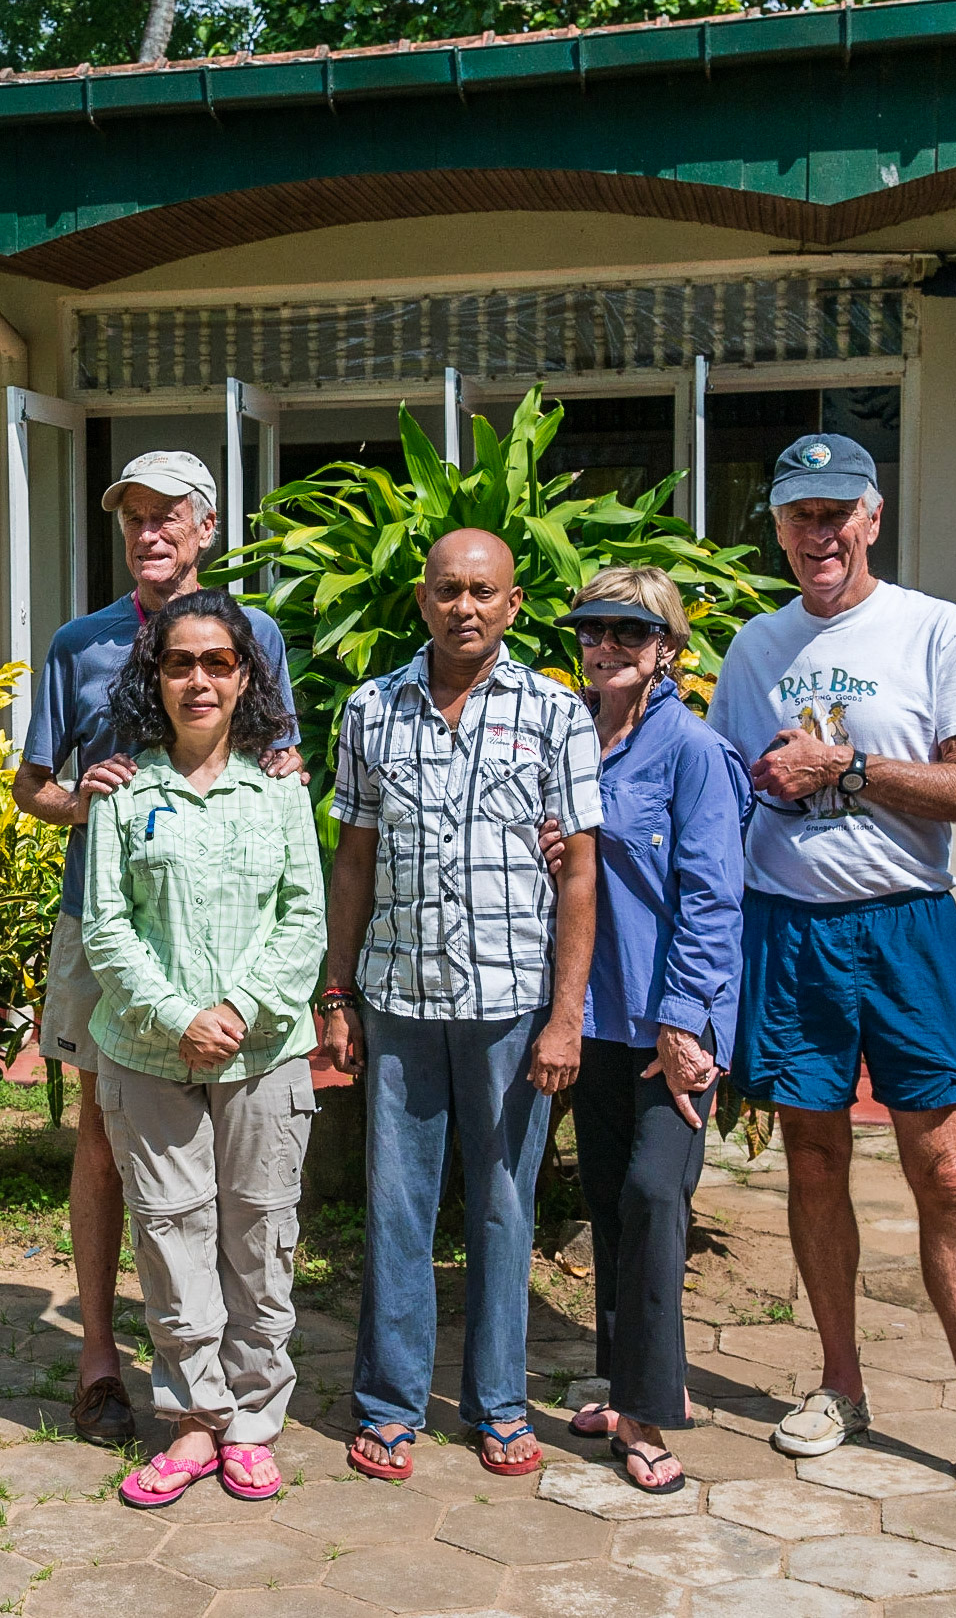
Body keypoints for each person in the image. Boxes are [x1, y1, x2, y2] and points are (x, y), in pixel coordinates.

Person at [706, 432, 956, 1518]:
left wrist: (849, 765)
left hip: (907, 928)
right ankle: (841, 1384)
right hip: (791, 931)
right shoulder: (753, 646)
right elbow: (723, 800)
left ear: (872, 517)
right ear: (776, 528)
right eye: (797, 516)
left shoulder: (934, 628)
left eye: (836, 514)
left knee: (949, 1170)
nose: (817, 534)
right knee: (813, 1158)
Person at [13, 451, 302, 1446]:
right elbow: (31, 785)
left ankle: (217, 1367)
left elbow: (281, 766)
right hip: (109, 925)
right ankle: (102, 1357)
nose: (149, 532)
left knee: (234, 1148)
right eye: (133, 516)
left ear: (207, 526)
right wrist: (79, 797)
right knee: (104, 1130)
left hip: (225, 925)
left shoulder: (253, 634)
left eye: (168, 514)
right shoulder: (77, 643)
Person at [322, 527, 601, 1482]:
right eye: (448, 591)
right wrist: (337, 988)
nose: (465, 607)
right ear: (423, 600)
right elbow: (352, 859)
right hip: (399, 1000)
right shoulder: (371, 711)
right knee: (398, 1207)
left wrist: (566, 1016)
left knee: (502, 1205)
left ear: (513, 605)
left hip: (512, 1006)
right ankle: (391, 1403)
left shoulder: (556, 714)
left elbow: (580, 878)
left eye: (484, 591)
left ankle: (498, 1404)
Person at [82, 588, 325, 1508]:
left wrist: (242, 1003)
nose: (197, 679)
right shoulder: (120, 789)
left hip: (264, 1052)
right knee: (172, 1235)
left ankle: (256, 1419)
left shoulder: (281, 786)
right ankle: (194, 1419)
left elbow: (304, 915)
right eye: (178, 662)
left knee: (260, 1233)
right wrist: (180, 1013)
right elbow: (107, 926)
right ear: (156, 675)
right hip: (150, 1053)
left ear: (245, 675)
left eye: (216, 663)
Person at [547, 567, 749, 1495]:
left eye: (631, 633)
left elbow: (712, 899)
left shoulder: (692, 751)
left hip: (671, 1024)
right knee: (609, 1201)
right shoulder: (566, 740)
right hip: (590, 1015)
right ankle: (627, 1386)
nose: (608, 647)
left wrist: (684, 1021)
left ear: (667, 648)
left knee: (655, 1196)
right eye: (594, 631)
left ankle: (646, 1412)